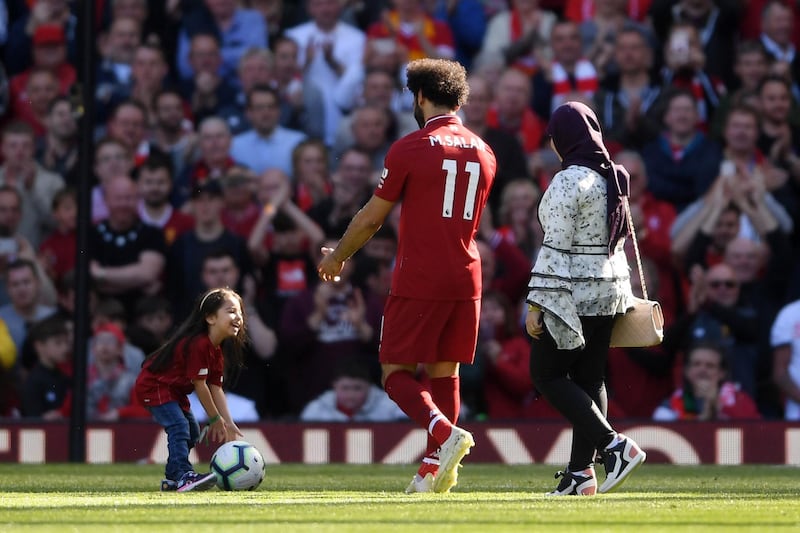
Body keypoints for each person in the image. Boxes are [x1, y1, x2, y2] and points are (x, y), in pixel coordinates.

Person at [317, 58, 496, 494]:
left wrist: (338, 256)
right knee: (444, 372)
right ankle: (436, 468)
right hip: (467, 275)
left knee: (394, 373)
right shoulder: (484, 150)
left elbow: (371, 219)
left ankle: (443, 434)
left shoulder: (411, 147)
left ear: (419, 97)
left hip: (421, 275)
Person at [525, 101, 645, 497]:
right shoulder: (614, 177)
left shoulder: (567, 180)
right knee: (590, 378)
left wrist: (536, 302)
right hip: (612, 289)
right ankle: (580, 474)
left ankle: (614, 446)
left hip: (574, 291)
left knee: (547, 374)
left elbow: (554, 247)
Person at [133, 287, 246, 492]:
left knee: (192, 432)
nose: (238, 317)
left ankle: (172, 478)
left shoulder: (216, 351)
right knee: (179, 427)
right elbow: (200, 386)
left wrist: (228, 422)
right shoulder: (199, 345)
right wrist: (214, 418)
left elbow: (216, 388)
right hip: (154, 386)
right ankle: (183, 475)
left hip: (173, 391)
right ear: (210, 318)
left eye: (240, 312)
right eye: (231, 311)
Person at [652, 341, 761, 421]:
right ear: (687, 371)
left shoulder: (740, 400)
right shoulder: (671, 404)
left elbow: (754, 432)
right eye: (696, 364)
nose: (702, 370)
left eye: (710, 366)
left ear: (721, 373)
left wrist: (718, 406)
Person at [300, 357, 407, 422]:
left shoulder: (391, 406)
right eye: (345, 388)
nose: (351, 394)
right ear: (334, 386)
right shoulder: (317, 409)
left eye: (357, 388)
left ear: (369, 386)